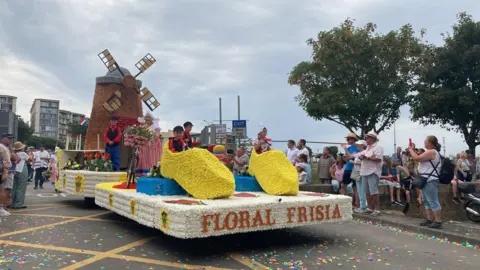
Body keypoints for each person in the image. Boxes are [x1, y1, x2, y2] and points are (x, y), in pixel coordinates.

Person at [344, 131, 383, 216]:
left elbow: (378, 159)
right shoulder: (367, 149)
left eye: (368, 137)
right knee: (367, 192)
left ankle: (377, 209)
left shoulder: (378, 147)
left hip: (373, 172)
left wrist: (366, 157)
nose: (366, 138)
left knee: (374, 192)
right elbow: (352, 156)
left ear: (372, 138)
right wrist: (346, 149)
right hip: (364, 172)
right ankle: (369, 208)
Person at [409, 135, 442, 229]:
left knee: (432, 200)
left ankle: (438, 221)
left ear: (430, 143)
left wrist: (411, 150)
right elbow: (419, 157)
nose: (424, 142)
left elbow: (417, 158)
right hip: (425, 179)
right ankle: (430, 219)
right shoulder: (430, 152)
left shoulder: (432, 152)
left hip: (430, 179)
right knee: (427, 201)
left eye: (425, 141)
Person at [0, 133, 14, 217]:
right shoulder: (2, 147)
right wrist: (5, 173)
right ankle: (1, 208)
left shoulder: (5, 147)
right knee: (3, 190)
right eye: (8, 138)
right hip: (2, 172)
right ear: (3, 138)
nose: (10, 140)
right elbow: (6, 162)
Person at [11, 141, 28, 209]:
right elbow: (29, 159)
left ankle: (13, 203)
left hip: (14, 170)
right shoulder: (23, 153)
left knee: (15, 187)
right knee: (21, 187)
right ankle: (19, 203)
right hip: (22, 169)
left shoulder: (13, 153)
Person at [352, 140, 367, 213]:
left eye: (358, 145)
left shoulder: (364, 152)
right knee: (359, 190)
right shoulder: (359, 153)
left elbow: (362, 163)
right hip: (358, 172)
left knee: (362, 190)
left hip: (361, 173)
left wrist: (354, 162)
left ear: (362, 145)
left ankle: (363, 207)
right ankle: (362, 206)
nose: (357, 146)